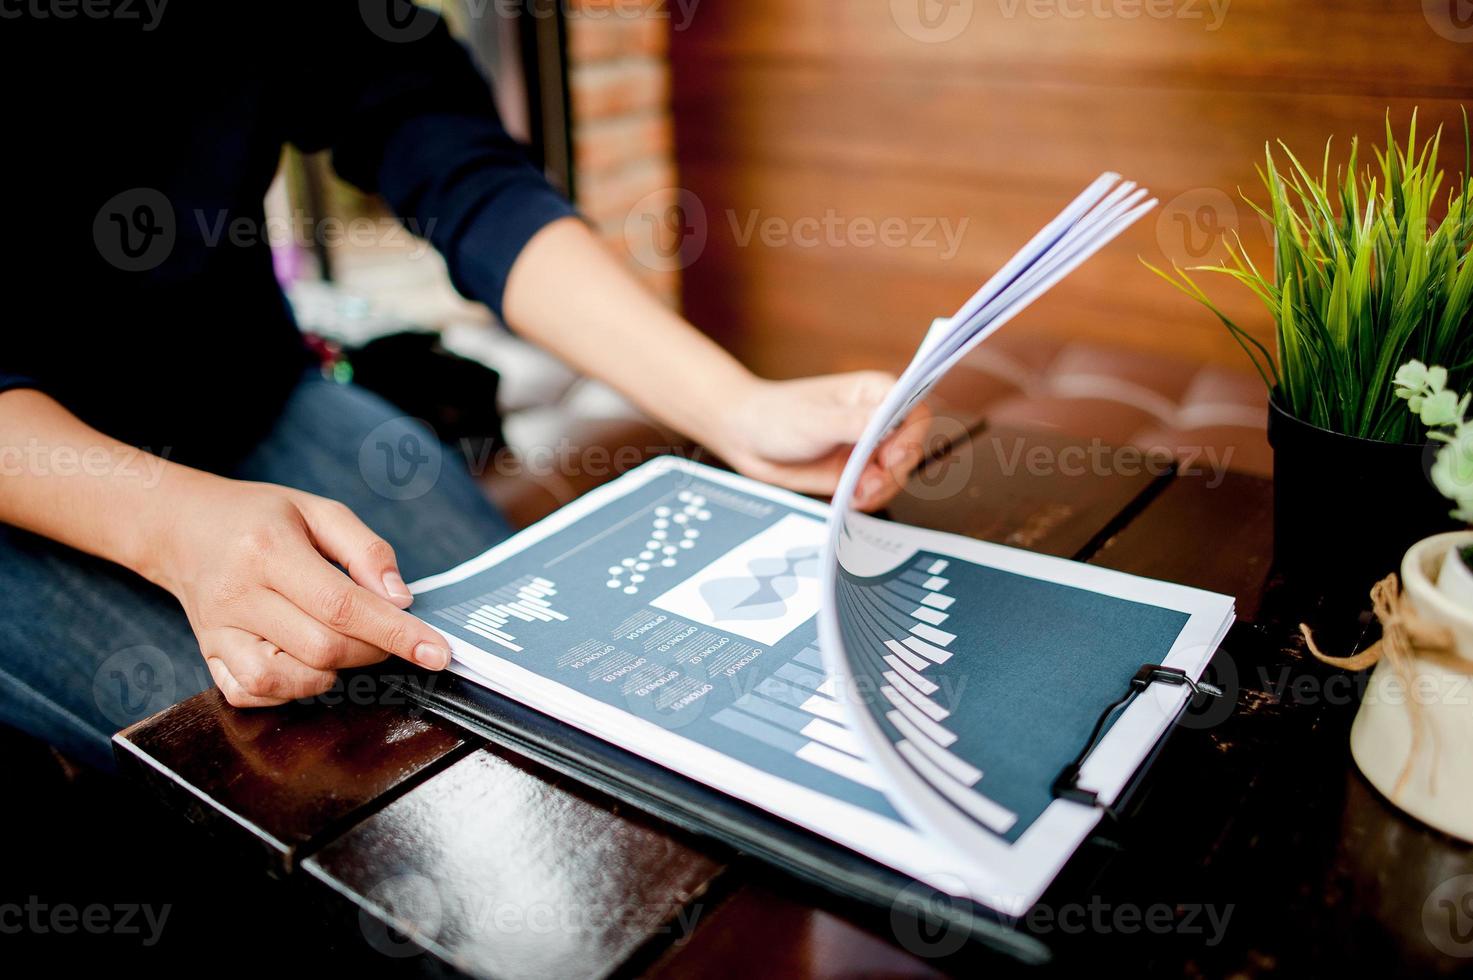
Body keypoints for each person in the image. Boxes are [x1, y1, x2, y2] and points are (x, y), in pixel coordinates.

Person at [0, 4, 926, 770]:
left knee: (549, 688)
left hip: (245, 391)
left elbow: (445, 149)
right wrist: (167, 524)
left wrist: (732, 403)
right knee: (310, 774)